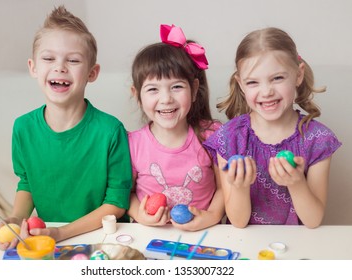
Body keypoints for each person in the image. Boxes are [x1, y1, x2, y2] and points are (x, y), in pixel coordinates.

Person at [0, 6, 132, 250]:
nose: (60, 67)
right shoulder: (23, 128)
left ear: (92, 73)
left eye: (72, 60)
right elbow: (27, 182)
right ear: (33, 67)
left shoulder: (111, 131)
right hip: (48, 242)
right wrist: (17, 219)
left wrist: (61, 233)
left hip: (105, 242)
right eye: (49, 58)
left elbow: (116, 203)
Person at [203, 27, 342, 229]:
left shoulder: (317, 138)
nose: (266, 92)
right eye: (253, 82)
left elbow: (313, 220)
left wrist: (296, 183)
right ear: (241, 84)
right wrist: (240, 187)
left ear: (298, 75)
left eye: (277, 78)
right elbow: (238, 222)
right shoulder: (230, 137)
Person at [127, 24, 224, 231]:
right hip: (149, 238)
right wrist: (139, 214)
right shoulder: (132, 143)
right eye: (153, 89)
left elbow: (224, 188)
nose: (166, 99)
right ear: (137, 95)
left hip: (205, 236)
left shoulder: (212, 134)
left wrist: (212, 216)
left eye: (177, 87)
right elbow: (127, 193)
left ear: (194, 89)